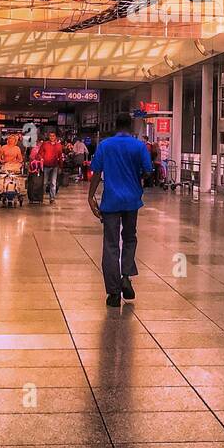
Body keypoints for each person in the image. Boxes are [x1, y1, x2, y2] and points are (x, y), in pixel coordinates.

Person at [89, 112, 153, 308]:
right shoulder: (139, 146)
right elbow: (148, 171)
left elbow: (97, 173)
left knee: (110, 244)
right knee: (130, 237)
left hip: (111, 201)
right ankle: (126, 275)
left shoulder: (105, 146)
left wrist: (90, 196)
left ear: (115, 126)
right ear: (131, 126)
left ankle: (113, 293)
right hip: (132, 200)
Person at [37, 130, 64, 202]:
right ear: (48, 137)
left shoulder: (59, 146)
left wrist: (61, 167)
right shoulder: (45, 144)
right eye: (50, 136)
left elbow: (60, 156)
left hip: (55, 166)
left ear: (55, 137)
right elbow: (39, 153)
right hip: (46, 166)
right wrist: (41, 158)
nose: (52, 137)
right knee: (44, 182)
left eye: (53, 136)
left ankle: (52, 198)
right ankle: (41, 197)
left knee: (53, 182)